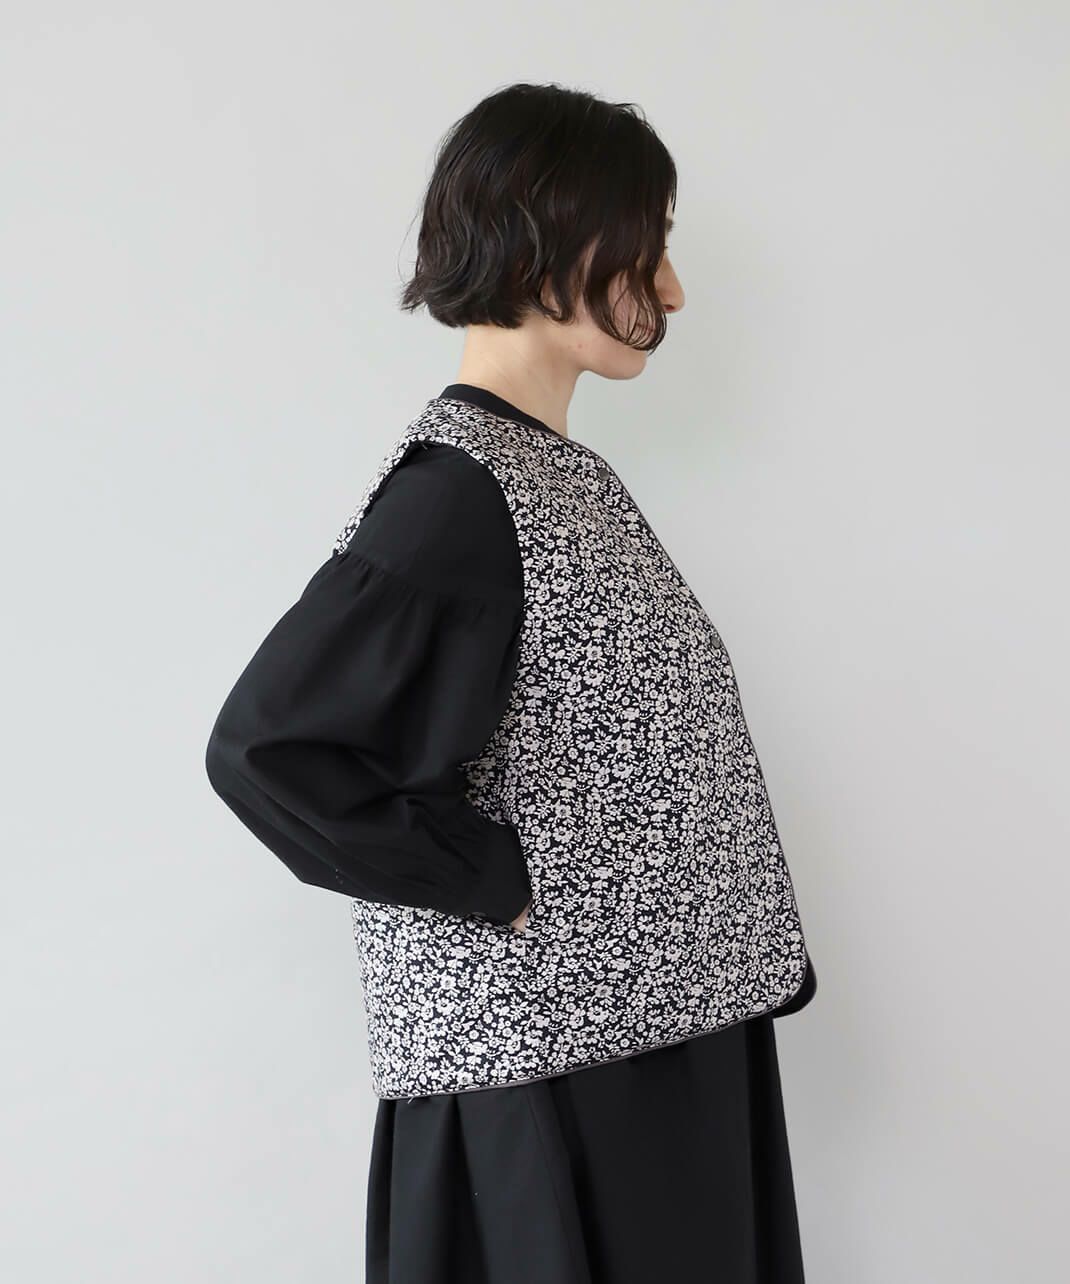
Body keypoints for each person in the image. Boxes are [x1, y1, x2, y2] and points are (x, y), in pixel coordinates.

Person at [206, 82, 817, 1284]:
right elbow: (269, 753)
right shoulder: (454, 494)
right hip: (556, 1081)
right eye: (646, 248)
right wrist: (487, 880)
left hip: (644, 1047)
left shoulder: (548, 476)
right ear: (546, 250)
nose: (672, 291)